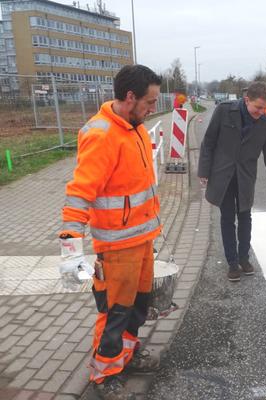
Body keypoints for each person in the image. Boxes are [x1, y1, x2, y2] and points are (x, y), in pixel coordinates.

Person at [59, 64, 162, 400]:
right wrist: (71, 249)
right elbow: (79, 193)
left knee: (138, 307)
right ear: (129, 97)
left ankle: (126, 358)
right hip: (116, 248)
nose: (152, 109)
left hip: (141, 241)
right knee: (115, 313)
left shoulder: (135, 128)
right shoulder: (101, 134)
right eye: (149, 102)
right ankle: (104, 375)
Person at [198, 82, 266, 282]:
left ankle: (244, 258)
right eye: (258, 107)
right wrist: (203, 171)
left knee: (245, 217)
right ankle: (232, 262)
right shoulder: (224, 111)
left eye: (265, 108)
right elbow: (209, 142)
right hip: (223, 175)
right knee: (227, 218)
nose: (261, 111)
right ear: (247, 99)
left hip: (245, 176)